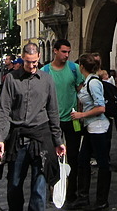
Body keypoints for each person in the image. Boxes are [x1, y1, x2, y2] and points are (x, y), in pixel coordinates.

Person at [0, 43, 65, 211]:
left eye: (34, 62)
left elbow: (53, 111)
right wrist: (0, 138)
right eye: (27, 62)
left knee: (39, 187)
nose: (31, 66)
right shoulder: (11, 79)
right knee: (15, 184)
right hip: (19, 139)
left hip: (41, 137)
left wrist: (57, 140)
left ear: (38, 57)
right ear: (22, 58)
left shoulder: (46, 80)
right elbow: (3, 110)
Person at [41, 39, 81, 207]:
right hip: (52, 121)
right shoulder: (45, 71)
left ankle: (71, 191)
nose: (66, 55)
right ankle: (54, 188)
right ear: (55, 51)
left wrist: (82, 114)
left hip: (72, 120)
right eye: (63, 52)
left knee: (73, 157)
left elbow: (80, 91)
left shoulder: (74, 68)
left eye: (68, 52)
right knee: (52, 157)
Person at [70, 53, 112, 210]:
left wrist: (82, 115)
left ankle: (102, 199)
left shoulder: (93, 83)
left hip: (99, 128)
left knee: (102, 163)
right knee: (83, 161)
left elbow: (101, 108)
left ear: (81, 66)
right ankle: (83, 197)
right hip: (90, 127)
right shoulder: (87, 82)